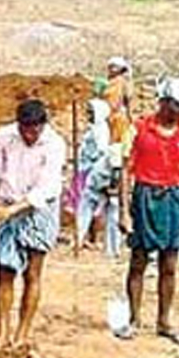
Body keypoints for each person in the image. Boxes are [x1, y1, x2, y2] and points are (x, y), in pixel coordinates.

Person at [116, 79, 179, 344]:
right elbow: (125, 170)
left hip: (174, 199)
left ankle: (164, 320)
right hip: (145, 195)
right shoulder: (140, 129)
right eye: (176, 105)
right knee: (139, 260)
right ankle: (133, 319)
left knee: (170, 263)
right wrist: (124, 211)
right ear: (163, 102)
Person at [0, 99, 67, 348]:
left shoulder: (55, 144)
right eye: (25, 130)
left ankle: (23, 332)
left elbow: (47, 187)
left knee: (32, 272)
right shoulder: (5, 136)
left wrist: (12, 210)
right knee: (5, 270)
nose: (29, 135)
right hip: (8, 203)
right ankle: (2, 332)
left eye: (34, 130)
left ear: (43, 126)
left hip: (39, 209)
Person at [74, 99, 120, 256]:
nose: (88, 115)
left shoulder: (101, 131)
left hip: (95, 172)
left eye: (91, 112)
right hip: (93, 172)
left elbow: (101, 151)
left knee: (107, 210)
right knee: (88, 208)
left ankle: (110, 247)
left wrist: (111, 185)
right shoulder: (93, 129)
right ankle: (82, 239)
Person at [104, 56, 134, 143]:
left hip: (118, 116)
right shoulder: (112, 81)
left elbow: (127, 98)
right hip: (111, 115)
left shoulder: (120, 81)